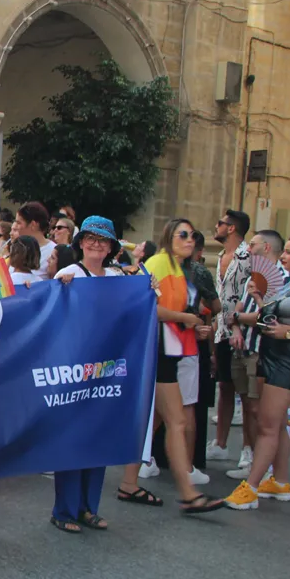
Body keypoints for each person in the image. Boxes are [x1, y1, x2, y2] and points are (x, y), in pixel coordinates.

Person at [121, 219, 224, 514]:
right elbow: (146, 305)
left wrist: (191, 324)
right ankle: (189, 493)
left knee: (152, 422)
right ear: (169, 237)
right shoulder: (159, 263)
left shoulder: (179, 268)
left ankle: (128, 483)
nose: (190, 239)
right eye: (183, 234)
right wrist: (185, 319)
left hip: (168, 351)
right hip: (157, 351)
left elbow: (174, 310)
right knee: (177, 421)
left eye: (193, 235)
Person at [226, 234, 290, 510]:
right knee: (277, 424)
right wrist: (259, 299)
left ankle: (251, 488)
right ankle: (280, 482)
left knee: (267, 425)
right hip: (272, 353)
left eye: (289, 252)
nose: (283, 256)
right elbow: (271, 317)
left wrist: (287, 332)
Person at [50, 216, 125, 533]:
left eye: (103, 240)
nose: (96, 244)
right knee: (72, 438)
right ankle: (64, 510)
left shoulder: (117, 277)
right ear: (80, 243)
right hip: (75, 368)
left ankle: (88, 508)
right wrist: (60, 288)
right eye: (91, 238)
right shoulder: (69, 273)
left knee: (98, 437)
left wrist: (149, 290)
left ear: (110, 247)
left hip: (106, 369)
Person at [224, 230, 289, 476]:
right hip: (243, 346)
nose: (248, 249)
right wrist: (236, 327)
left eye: (253, 244)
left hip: (262, 352)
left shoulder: (281, 278)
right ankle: (250, 457)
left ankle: (267, 468)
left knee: (260, 411)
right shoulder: (254, 275)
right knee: (247, 405)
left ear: (267, 248)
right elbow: (238, 309)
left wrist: (238, 317)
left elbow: (266, 317)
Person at [208, 209, 252, 463]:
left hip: (242, 332)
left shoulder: (248, 256)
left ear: (232, 228)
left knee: (246, 394)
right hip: (221, 331)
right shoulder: (221, 255)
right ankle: (220, 443)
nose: (216, 227)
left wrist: (238, 323)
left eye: (220, 223)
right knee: (224, 387)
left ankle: (248, 449)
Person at [12, 202, 54, 278]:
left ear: (33, 225)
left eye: (19, 223)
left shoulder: (53, 252)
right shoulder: (16, 248)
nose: (16, 227)